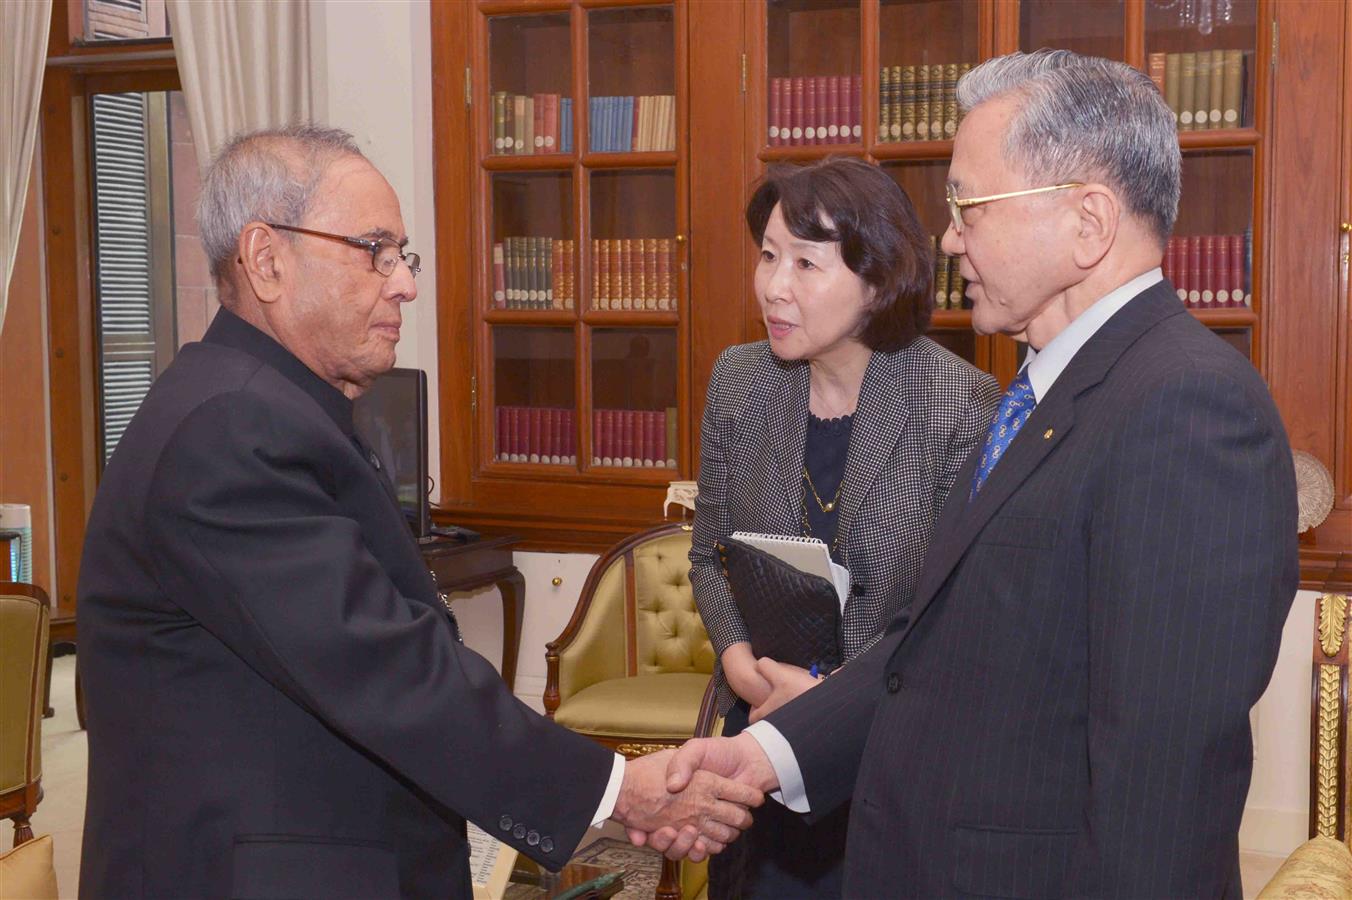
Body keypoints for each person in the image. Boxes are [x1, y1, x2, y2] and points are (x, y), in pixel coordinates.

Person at [662, 49, 1298, 896]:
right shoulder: (1043, 387)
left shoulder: (1188, 408)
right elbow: (925, 650)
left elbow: (1161, 791)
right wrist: (762, 754)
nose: (951, 236)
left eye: (969, 205)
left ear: (1088, 222)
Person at [76, 125, 760, 900]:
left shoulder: (268, 405)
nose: (403, 283)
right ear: (266, 260)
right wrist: (616, 789)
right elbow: (386, 671)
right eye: (374, 250)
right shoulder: (231, 428)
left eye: (404, 255)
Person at [687, 156, 999, 897]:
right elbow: (708, 556)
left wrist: (826, 694)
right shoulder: (740, 380)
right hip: (759, 732)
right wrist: (738, 662)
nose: (773, 286)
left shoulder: (959, 404)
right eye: (767, 256)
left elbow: (950, 618)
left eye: (805, 262)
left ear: (877, 279)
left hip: (886, 751)